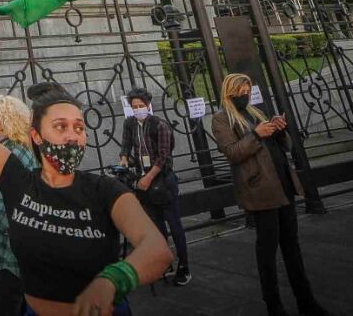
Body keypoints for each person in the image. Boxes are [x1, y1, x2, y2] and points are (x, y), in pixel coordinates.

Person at [0, 10, 172, 316]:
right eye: (60, 126)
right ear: (35, 135)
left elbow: (156, 248)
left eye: (79, 127)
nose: (73, 135)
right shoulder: (17, 182)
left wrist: (113, 280)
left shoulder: (105, 191)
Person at [212, 74, 330, 316]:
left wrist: (278, 130)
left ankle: (306, 301)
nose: (246, 93)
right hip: (261, 190)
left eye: (248, 89)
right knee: (267, 250)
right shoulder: (221, 118)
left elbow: (286, 147)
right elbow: (232, 153)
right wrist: (257, 135)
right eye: (241, 89)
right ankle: (274, 305)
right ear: (230, 91)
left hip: (283, 184)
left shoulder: (256, 113)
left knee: (292, 247)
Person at [118, 89, 189, 285]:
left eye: (141, 106)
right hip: (143, 181)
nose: (138, 109)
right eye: (134, 107)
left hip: (162, 180)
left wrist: (149, 177)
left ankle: (184, 266)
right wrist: (124, 159)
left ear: (148, 105)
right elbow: (125, 145)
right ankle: (165, 262)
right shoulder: (130, 124)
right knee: (156, 226)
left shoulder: (159, 125)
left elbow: (164, 156)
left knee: (174, 225)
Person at [0, 97, 41, 316]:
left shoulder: (2, 156)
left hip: (8, 257)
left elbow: (3, 217)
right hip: (32, 252)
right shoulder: (27, 149)